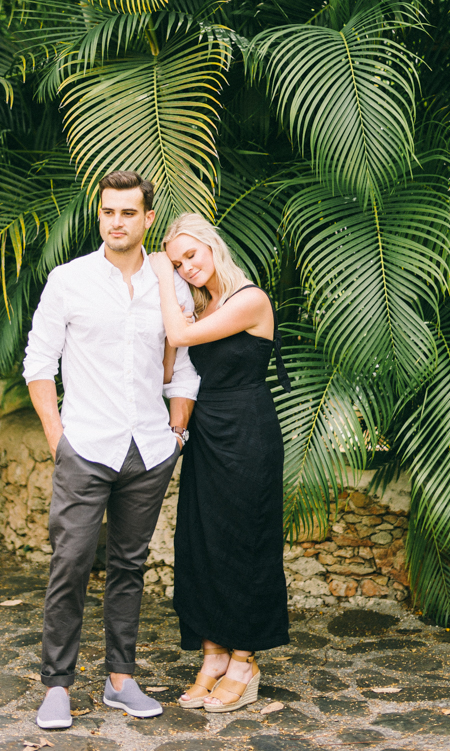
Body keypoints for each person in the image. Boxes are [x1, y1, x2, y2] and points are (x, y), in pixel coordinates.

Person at [23, 171, 200, 731]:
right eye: (108, 212)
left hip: (148, 449)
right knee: (70, 562)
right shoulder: (68, 280)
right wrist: (59, 439)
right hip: (86, 445)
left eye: (128, 212)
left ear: (148, 219)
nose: (116, 222)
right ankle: (57, 685)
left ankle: (120, 679)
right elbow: (38, 363)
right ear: (99, 216)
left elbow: (185, 360)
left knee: (129, 565)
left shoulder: (168, 284)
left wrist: (175, 432)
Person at [150, 213, 291, 714]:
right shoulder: (202, 306)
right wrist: (177, 326)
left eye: (191, 256)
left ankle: (244, 660)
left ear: (213, 247)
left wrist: (163, 282)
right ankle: (211, 656)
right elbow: (173, 364)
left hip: (248, 430)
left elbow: (180, 337)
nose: (185, 267)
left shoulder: (247, 299)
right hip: (207, 432)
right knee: (200, 541)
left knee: (245, 542)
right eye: (175, 262)